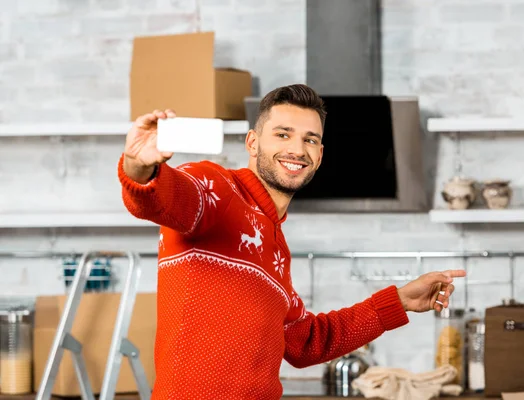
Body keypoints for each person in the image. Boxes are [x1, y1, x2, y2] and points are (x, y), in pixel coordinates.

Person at [118, 84, 466, 399]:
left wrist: (400, 300)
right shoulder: (214, 189)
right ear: (253, 143)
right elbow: (157, 198)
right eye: (283, 135)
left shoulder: (277, 251)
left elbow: (307, 341)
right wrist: (138, 165)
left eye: (310, 140)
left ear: (320, 155)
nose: (297, 149)